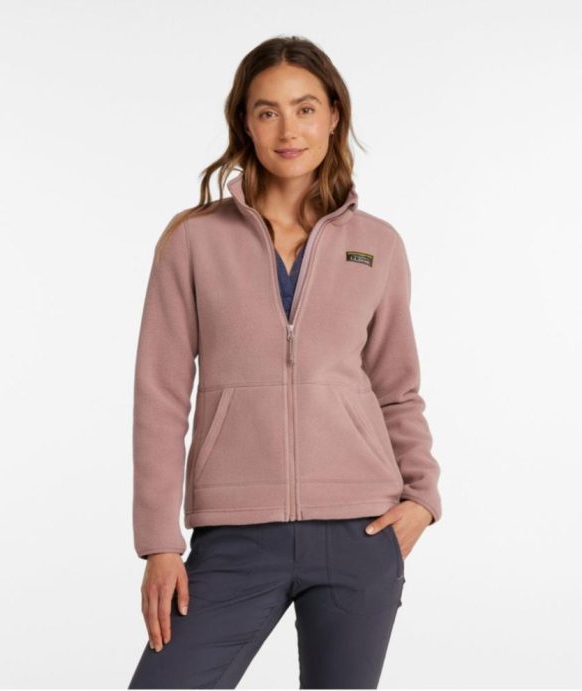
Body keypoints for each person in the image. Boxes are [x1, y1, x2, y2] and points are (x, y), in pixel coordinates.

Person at [128, 35, 442, 690]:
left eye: (305, 109)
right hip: (234, 537)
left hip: (360, 532)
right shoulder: (194, 240)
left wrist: (422, 498)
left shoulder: (377, 245)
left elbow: (396, 386)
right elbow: (160, 396)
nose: (288, 130)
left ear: (333, 115)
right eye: (267, 111)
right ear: (245, 122)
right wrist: (159, 541)